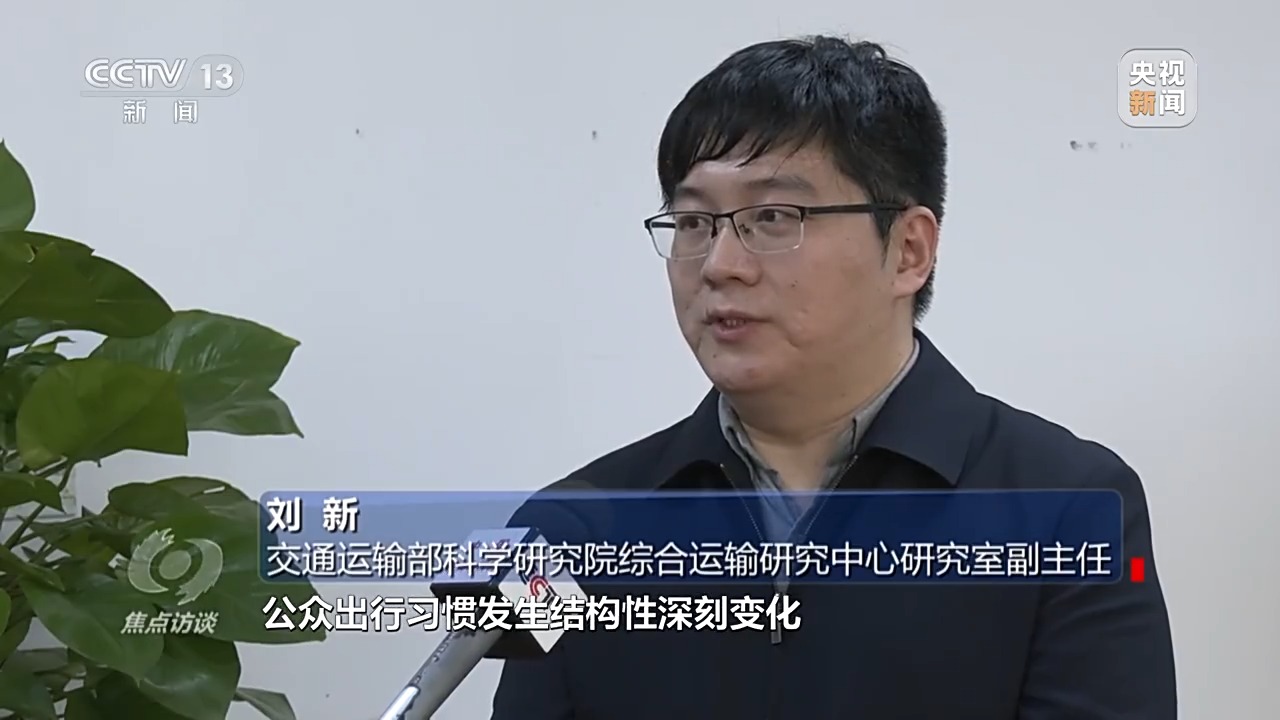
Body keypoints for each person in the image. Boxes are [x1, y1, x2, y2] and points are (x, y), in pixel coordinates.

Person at [492, 35, 1176, 719]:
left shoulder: (1066, 508)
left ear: (908, 250)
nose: (720, 264)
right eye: (695, 221)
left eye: (772, 217)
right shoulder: (569, 531)